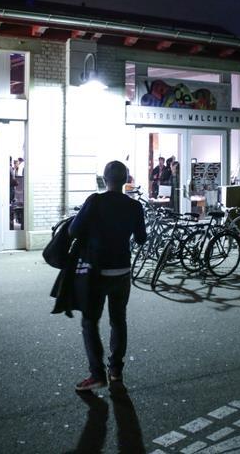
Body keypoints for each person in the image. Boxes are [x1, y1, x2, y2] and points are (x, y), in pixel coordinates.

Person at [70, 161, 147, 391]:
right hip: (122, 271)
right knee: (118, 320)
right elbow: (142, 238)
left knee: (90, 322)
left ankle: (97, 374)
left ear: (104, 179)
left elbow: (74, 230)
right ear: (126, 180)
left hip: (98, 272)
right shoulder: (134, 206)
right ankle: (115, 371)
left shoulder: (95, 201)